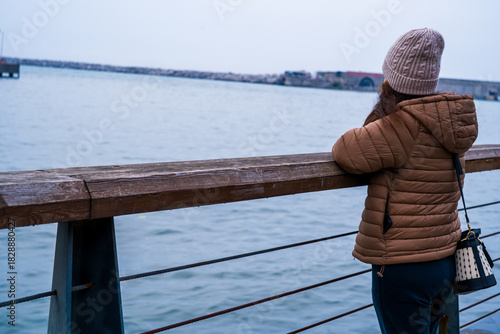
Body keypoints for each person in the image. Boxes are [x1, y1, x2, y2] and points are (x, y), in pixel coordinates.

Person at [331, 28, 478, 334]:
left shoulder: (401, 126)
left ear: (393, 79)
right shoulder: (450, 121)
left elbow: (345, 150)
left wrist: (384, 107)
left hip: (403, 265)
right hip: (444, 261)